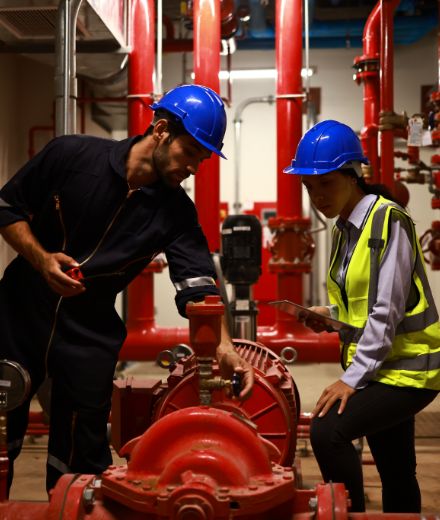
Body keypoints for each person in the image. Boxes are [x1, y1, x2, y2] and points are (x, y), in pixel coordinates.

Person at [0, 84, 254, 493]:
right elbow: (7, 207)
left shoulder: (176, 213)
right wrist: (42, 259)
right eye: (190, 152)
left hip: (89, 329)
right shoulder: (72, 156)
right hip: (19, 313)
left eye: (202, 159)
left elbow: (198, 285)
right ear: (160, 130)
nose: (194, 167)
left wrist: (224, 346)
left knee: (82, 457)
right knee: (1, 427)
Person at [284, 119, 440, 512]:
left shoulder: (387, 220)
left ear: (353, 176)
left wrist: (350, 380)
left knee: (327, 431)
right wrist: (329, 314)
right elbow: (365, 303)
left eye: (326, 183)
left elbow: (387, 309)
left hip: (410, 370)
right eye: (309, 187)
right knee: (396, 471)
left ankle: (347, 514)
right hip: (383, 367)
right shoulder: (344, 229)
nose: (317, 196)